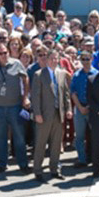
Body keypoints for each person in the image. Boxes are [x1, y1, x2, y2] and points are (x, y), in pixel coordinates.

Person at [0, 42, 31, 173]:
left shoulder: (16, 63)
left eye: (5, 53)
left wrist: (25, 97)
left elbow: (25, 79)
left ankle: (23, 163)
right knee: (0, 137)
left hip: (15, 106)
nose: (4, 55)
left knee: (19, 136)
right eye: (0, 53)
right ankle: (2, 163)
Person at [30, 46, 70, 182]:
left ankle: (54, 169)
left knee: (56, 144)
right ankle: (38, 170)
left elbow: (66, 94)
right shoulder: (39, 74)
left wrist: (68, 109)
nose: (53, 61)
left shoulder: (62, 73)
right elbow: (35, 97)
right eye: (51, 58)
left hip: (59, 114)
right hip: (44, 115)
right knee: (41, 144)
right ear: (46, 60)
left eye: (56, 59)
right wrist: (37, 114)